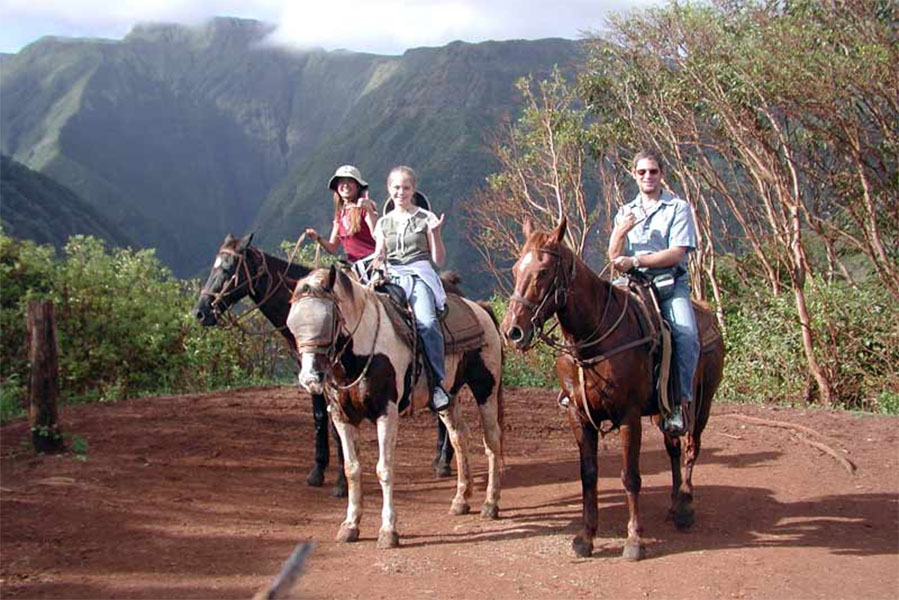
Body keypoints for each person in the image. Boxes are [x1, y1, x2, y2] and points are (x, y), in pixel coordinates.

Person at [608, 150, 700, 436]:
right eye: (642, 172)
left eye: (653, 171)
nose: (648, 176)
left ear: (662, 174)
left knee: (686, 335)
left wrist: (637, 260)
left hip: (669, 284)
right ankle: (577, 389)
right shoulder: (625, 211)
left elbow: (677, 253)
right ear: (633, 175)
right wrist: (620, 233)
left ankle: (678, 404)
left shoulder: (678, 208)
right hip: (631, 283)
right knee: (594, 316)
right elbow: (614, 256)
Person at [372, 165, 451, 411]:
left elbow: (439, 260)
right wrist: (377, 268)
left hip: (418, 275)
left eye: (406, 188)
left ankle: (437, 384)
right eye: (396, 187)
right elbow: (379, 254)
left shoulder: (426, 218)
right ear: (389, 189)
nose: (401, 192)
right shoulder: (383, 223)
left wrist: (436, 233)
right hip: (391, 276)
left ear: (413, 190)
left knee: (426, 324)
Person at [305, 165, 378, 280]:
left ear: (357, 186)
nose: (345, 185)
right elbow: (333, 248)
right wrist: (317, 238)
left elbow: (376, 235)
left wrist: (369, 210)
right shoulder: (340, 215)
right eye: (342, 182)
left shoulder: (364, 208)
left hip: (371, 265)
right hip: (353, 268)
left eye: (350, 181)